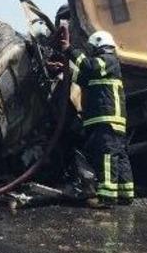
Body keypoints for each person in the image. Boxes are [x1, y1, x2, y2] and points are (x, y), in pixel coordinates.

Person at [57, 22, 134, 208]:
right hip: (108, 120)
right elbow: (81, 77)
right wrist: (61, 67)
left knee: (107, 156)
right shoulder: (102, 67)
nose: (90, 51)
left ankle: (106, 198)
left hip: (107, 119)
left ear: (99, 45)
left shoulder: (108, 60)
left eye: (91, 48)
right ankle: (125, 194)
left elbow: (89, 66)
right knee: (119, 156)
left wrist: (70, 50)